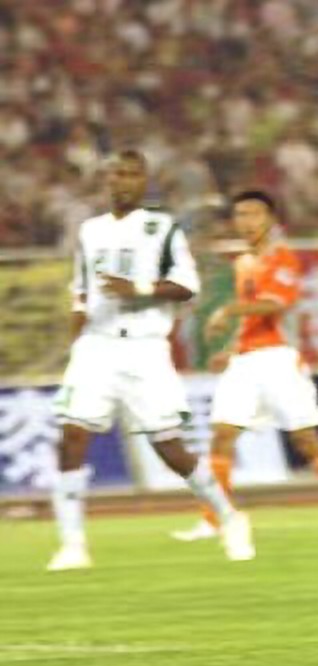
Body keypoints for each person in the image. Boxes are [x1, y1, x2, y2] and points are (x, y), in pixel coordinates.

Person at [49, 150, 255, 571]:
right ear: (106, 180)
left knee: (169, 448)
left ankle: (230, 518)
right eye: (116, 174)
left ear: (144, 182)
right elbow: (80, 292)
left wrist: (138, 288)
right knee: (70, 437)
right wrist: (74, 340)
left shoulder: (161, 229)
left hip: (144, 348)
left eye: (132, 174)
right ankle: (72, 545)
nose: (123, 181)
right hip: (96, 346)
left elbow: (187, 286)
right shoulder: (90, 230)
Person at [171, 190, 318, 542]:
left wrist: (227, 311)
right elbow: (252, 318)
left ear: (271, 219)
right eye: (240, 215)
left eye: (255, 214)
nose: (247, 222)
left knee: (305, 439)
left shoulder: (283, 258)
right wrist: (231, 348)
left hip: (279, 359)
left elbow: (275, 304)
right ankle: (214, 519)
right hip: (245, 361)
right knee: (222, 435)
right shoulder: (244, 262)